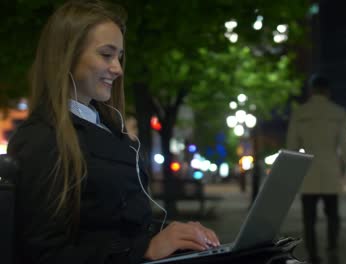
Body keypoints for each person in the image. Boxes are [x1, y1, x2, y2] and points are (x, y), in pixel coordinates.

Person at [7, 1, 219, 263]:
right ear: (67, 55)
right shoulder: (42, 138)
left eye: (119, 56)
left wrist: (177, 234)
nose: (118, 69)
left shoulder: (106, 127)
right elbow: (43, 253)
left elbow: (120, 225)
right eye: (106, 54)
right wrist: (144, 249)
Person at [286, 75, 346, 263]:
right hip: (331, 169)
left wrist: (294, 172)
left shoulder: (300, 113)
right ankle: (332, 248)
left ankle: (312, 254)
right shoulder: (339, 112)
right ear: (328, 91)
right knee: (332, 214)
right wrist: (343, 167)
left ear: (311, 90)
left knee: (309, 218)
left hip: (308, 171)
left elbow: (291, 146)